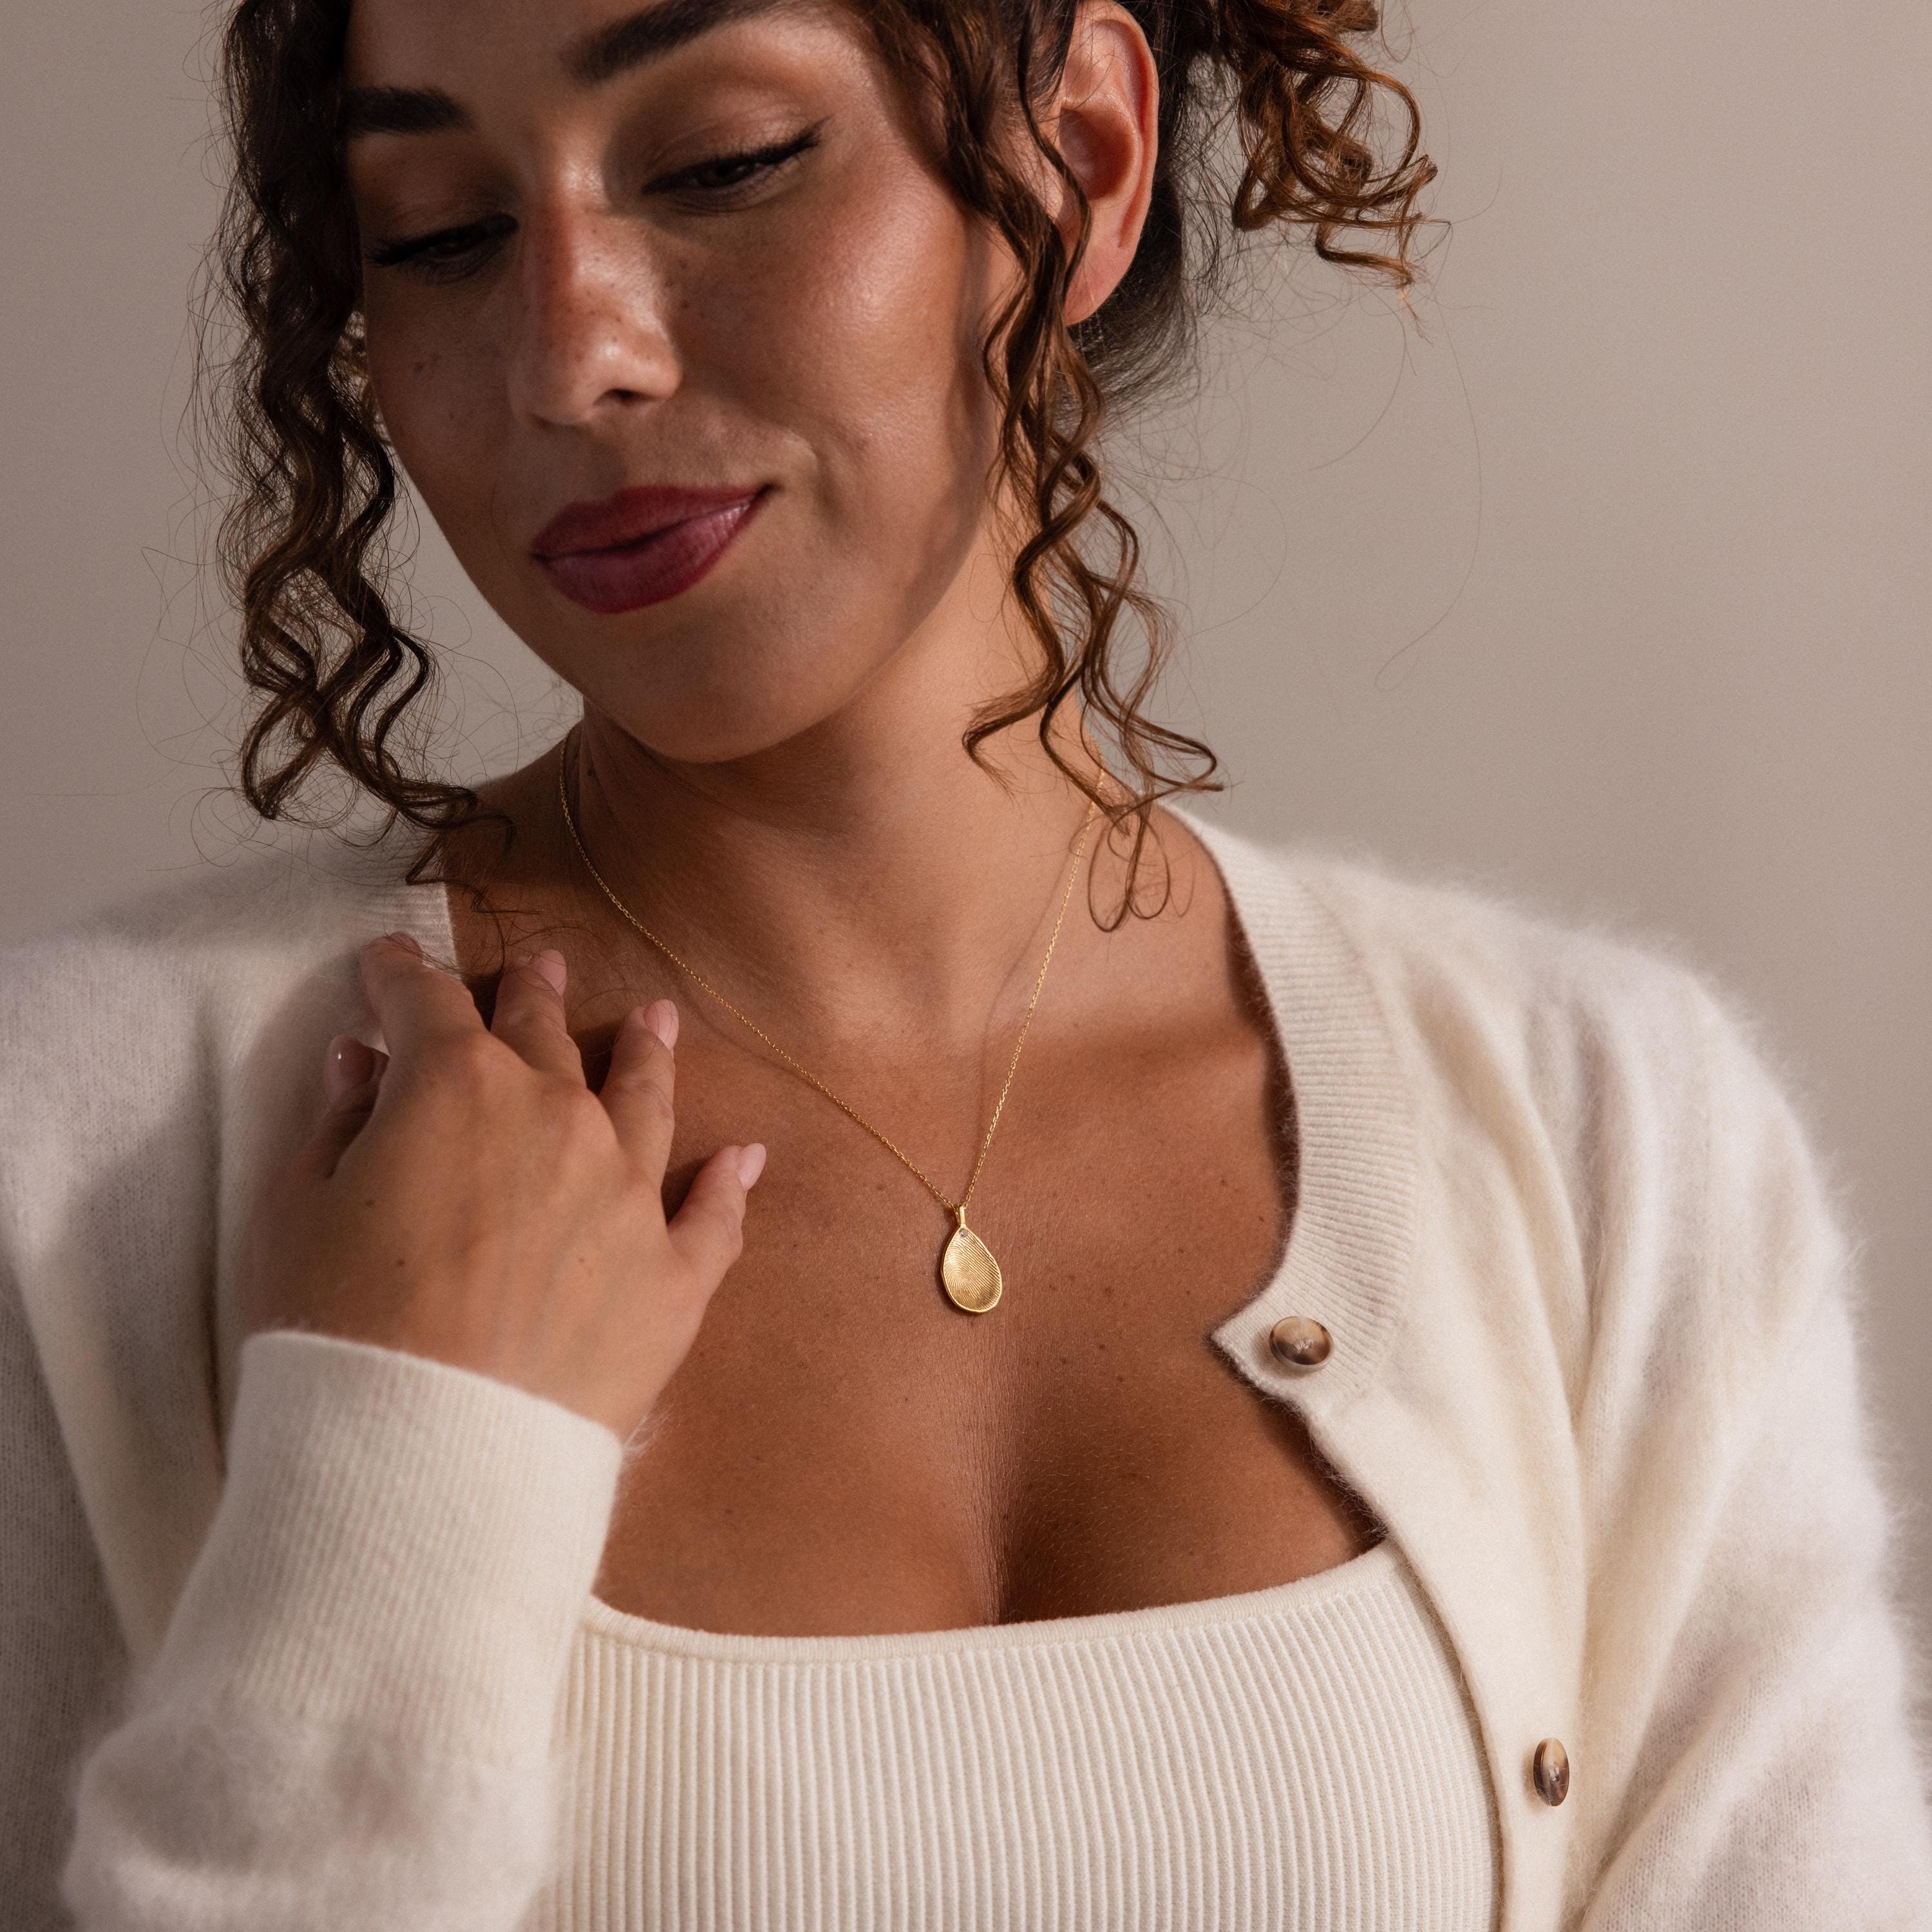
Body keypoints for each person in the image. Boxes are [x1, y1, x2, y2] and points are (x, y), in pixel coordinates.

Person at [3, 0, 1928, 1926]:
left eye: (724, 164)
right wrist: (394, 1482)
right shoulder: (84, 1161)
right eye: (435, 230)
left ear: (1079, 157)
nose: (569, 353)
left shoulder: (1610, 1137)